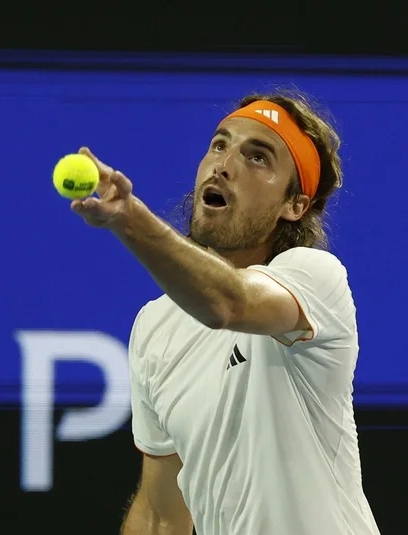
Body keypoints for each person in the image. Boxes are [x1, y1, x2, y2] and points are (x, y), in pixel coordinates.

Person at [70, 91, 381, 535]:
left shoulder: (315, 279)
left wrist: (128, 217)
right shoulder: (155, 327)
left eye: (258, 157)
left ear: (295, 206)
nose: (225, 164)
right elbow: (161, 515)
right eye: (220, 144)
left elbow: (229, 304)